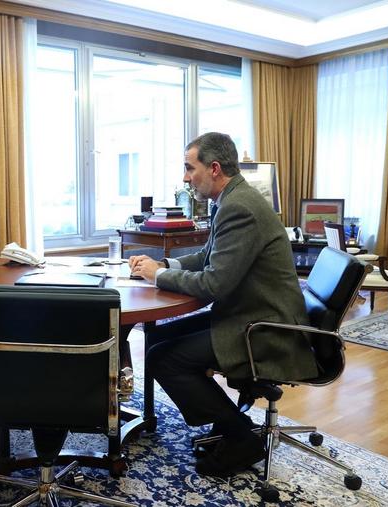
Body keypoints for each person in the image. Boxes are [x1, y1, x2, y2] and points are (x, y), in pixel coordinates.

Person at [128, 132, 318, 478]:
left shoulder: (239, 207)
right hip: (249, 314)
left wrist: (157, 276)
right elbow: (208, 256)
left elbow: (215, 284)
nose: (186, 177)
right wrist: (164, 266)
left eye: (190, 168)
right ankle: (227, 422)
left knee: (162, 358)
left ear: (214, 168)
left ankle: (239, 435)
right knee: (156, 339)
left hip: (265, 328)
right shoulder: (232, 199)